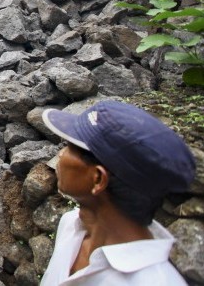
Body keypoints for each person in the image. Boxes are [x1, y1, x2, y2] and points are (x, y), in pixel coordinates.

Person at [40, 100, 196, 286]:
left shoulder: (157, 282)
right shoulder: (71, 226)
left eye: (70, 147)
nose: (61, 154)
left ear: (98, 179)